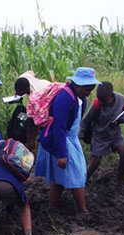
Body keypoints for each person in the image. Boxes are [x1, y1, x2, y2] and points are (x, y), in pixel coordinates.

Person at [35, 67, 100, 213]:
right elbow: (58, 127)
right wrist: (62, 154)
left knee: (60, 177)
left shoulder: (79, 97)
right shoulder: (65, 98)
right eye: (87, 88)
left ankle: (52, 207)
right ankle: (83, 211)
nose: (89, 92)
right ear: (77, 84)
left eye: (92, 88)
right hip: (62, 140)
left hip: (69, 138)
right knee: (77, 175)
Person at [80, 81, 124, 184]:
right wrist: (79, 136)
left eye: (104, 100)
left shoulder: (121, 100)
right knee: (95, 161)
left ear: (111, 95)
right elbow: (85, 122)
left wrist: (120, 121)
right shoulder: (97, 103)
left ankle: (119, 181)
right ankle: (81, 182)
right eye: (101, 100)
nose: (102, 103)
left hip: (115, 133)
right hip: (99, 135)